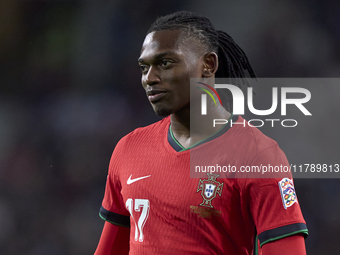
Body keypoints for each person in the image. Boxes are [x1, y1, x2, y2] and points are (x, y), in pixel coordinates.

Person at [94, 11, 308, 255]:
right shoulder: (128, 149)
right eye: (144, 67)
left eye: (165, 63)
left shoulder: (258, 156)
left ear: (208, 64)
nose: (149, 78)